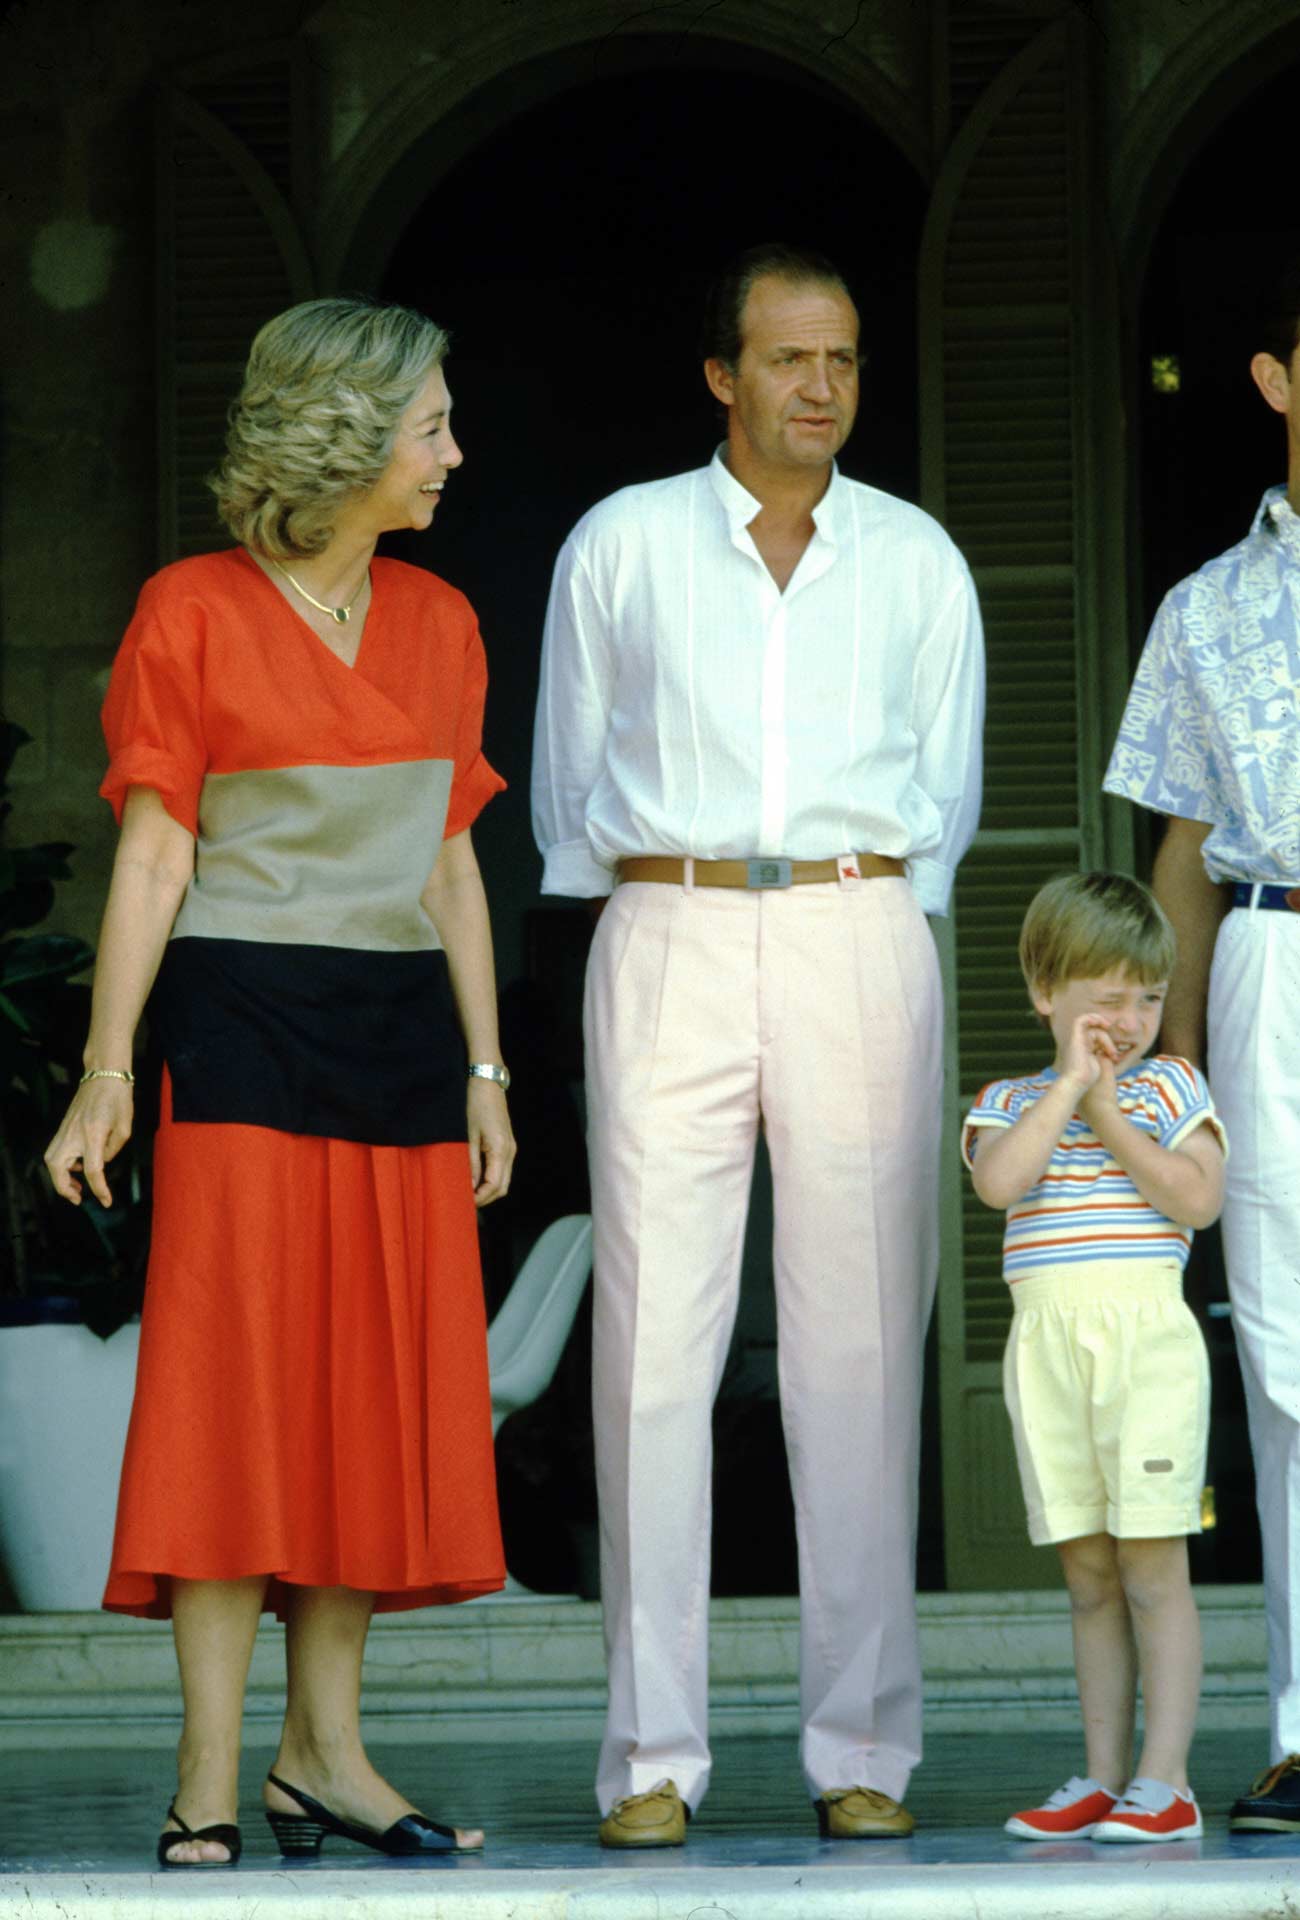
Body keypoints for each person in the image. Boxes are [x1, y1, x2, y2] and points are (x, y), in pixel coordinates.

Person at [43, 297, 514, 1867]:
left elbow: (450, 867)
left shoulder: (444, 624)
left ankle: (328, 1756)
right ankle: (207, 1768)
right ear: (345, 435)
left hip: (396, 1049)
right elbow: (156, 852)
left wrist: (491, 1070)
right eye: (431, 424)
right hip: (237, 1033)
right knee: (236, 1404)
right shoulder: (187, 609)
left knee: (359, 1411)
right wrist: (107, 1069)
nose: (453, 453)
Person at [531, 242, 984, 1845]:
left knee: (862, 1347)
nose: (822, 386)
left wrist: (871, 912)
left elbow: (948, 794)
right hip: (670, 925)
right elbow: (570, 785)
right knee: (654, 1350)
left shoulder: (917, 558)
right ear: (722, 374)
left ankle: (863, 1747)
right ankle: (651, 1758)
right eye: (790, 359)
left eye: (844, 359)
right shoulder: (625, 545)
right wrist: (669, 900)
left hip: (862, 928)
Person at [1103, 263, 1300, 1831]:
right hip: (1271, 946)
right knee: (1289, 1352)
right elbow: (1178, 847)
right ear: (1277, 381)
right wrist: (1171, 1057)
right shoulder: (1207, 608)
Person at [962, 872, 1226, 1843]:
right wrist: (1070, 1086)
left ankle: (1169, 1779)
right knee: (1087, 1573)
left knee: (1154, 1565)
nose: (1130, 1018)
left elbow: (1194, 1201)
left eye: (1147, 998)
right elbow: (999, 1184)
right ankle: (1104, 1774)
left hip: (1145, 1349)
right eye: (1106, 997)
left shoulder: (1169, 1087)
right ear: (1045, 992)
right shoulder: (1009, 1101)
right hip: (1049, 1354)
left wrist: (1109, 1105)